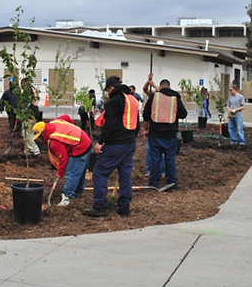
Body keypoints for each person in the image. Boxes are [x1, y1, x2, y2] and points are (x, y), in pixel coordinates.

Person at [83, 76, 139, 217]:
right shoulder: (132, 99)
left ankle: (99, 206)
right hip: (129, 143)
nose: (107, 93)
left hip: (116, 144)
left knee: (99, 172)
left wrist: (101, 142)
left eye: (107, 90)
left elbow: (109, 125)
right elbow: (137, 123)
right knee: (125, 175)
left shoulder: (114, 101)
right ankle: (124, 207)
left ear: (111, 88)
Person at [33, 115, 91, 206]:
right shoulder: (53, 122)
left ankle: (68, 197)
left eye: (40, 136)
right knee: (79, 170)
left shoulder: (54, 142)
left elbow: (64, 159)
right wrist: (72, 130)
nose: (40, 139)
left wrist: (60, 172)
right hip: (84, 139)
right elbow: (66, 117)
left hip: (80, 146)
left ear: (43, 132)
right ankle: (79, 191)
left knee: (71, 172)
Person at [143, 76, 187, 189]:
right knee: (170, 158)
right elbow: (183, 114)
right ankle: (172, 182)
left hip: (155, 133)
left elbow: (146, 115)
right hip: (170, 134)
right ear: (169, 87)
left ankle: (153, 182)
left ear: (160, 87)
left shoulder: (153, 97)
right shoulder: (175, 98)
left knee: (155, 158)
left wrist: (145, 130)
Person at [225, 84, 246, 148]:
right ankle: (233, 141)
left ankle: (242, 142)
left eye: (231, 90)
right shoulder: (230, 97)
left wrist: (236, 110)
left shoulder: (240, 97)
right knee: (231, 128)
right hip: (231, 116)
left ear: (235, 89)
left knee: (240, 129)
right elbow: (227, 105)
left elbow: (243, 106)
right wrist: (229, 110)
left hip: (238, 116)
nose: (230, 91)